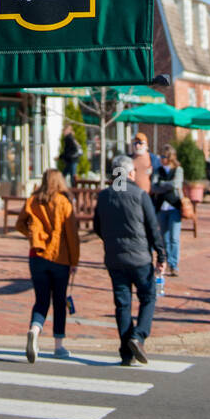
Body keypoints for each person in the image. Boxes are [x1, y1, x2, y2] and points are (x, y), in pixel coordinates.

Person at [93, 155, 166, 366]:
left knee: (122, 304)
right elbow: (153, 228)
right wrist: (161, 255)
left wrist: (111, 240)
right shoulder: (140, 195)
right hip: (140, 257)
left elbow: (97, 226)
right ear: (129, 173)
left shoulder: (105, 196)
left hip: (115, 258)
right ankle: (139, 335)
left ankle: (126, 351)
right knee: (148, 297)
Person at [16, 169, 80, 361]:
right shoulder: (63, 202)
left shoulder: (33, 200)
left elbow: (19, 223)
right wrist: (74, 261)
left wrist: (32, 235)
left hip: (36, 256)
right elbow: (72, 235)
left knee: (41, 299)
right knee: (59, 302)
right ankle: (58, 345)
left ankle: (35, 330)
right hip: (59, 258)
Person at [151, 145, 183, 276]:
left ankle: (174, 264)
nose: (161, 159)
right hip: (161, 208)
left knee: (174, 238)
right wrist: (166, 186)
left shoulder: (178, 170)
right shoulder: (158, 170)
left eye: (163, 156)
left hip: (174, 207)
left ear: (169, 158)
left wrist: (161, 184)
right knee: (164, 238)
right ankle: (167, 261)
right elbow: (153, 187)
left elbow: (176, 184)